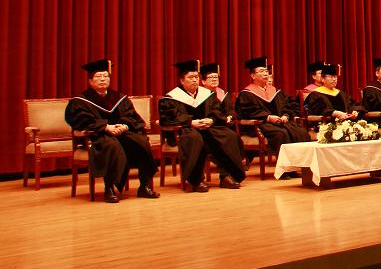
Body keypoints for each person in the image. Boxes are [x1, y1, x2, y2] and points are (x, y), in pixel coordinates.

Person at [64, 59, 160, 203]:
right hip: (98, 136)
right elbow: (80, 121)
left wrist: (125, 125)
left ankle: (144, 186)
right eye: (98, 76)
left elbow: (132, 117)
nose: (103, 79)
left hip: (121, 133)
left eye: (106, 76)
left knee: (141, 142)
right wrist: (105, 127)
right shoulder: (80, 101)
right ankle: (109, 189)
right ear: (90, 81)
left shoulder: (119, 97)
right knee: (111, 145)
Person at [159, 60, 246, 191]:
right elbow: (169, 118)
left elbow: (217, 111)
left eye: (196, 77)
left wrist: (211, 120)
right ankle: (195, 180)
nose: (195, 80)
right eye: (190, 77)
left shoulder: (206, 94)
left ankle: (226, 176)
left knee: (229, 136)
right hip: (185, 130)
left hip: (207, 128)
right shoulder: (172, 97)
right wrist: (190, 122)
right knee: (195, 139)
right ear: (182, 81)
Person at [235, 56, 309, 163]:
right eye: (261, 71)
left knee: (301, 132)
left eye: (266, 71)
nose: (265, 73)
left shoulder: (275, 91)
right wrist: (269, 117)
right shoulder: (246, 94)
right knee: (281, 134)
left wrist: (286, 115)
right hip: (261, 124)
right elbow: (249, 112)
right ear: (253, 75)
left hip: (280, 122)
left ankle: (302, 164)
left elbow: (291, 104)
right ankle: (285, 167)